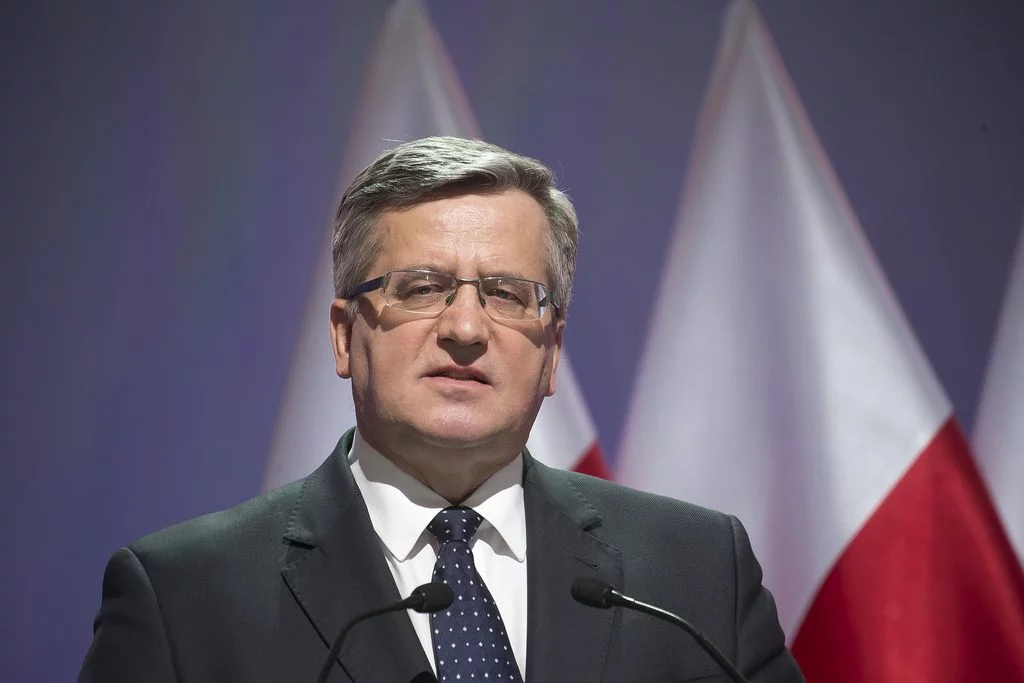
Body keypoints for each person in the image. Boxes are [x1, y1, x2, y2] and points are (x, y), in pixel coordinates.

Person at [79, 136, 804, 682]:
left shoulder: (694, 574)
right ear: (345, 335)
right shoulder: (185, 597)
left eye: (507, 294)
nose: (464, 328)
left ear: (552, 351)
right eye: (421, 288)